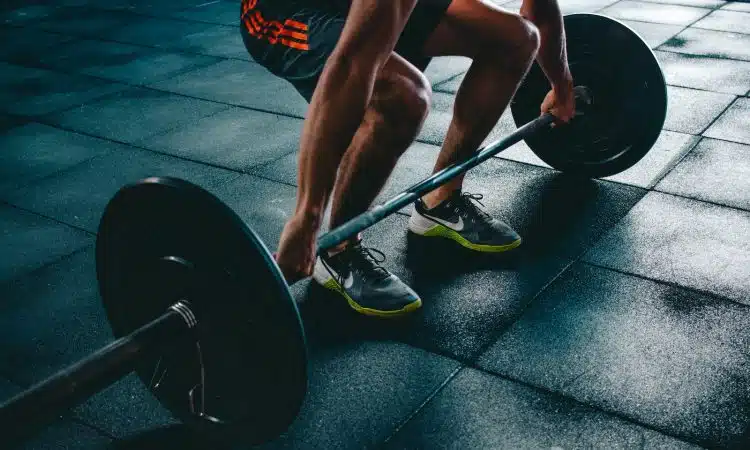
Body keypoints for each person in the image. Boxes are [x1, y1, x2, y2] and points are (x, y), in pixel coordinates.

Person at [240, 0, 575, 317]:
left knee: (516, 38)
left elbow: (540, 12)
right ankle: (339, 251)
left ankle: (440, 200)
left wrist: (562, 86)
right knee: (404, 95)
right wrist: (307, 217)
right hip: (287, 11)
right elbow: (353, 64)